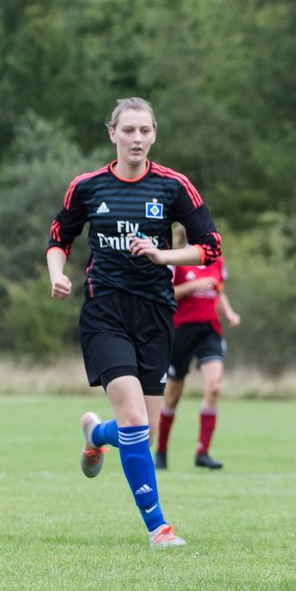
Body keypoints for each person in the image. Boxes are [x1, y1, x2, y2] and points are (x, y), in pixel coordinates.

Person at [47, 96, 222, 548]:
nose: (137, 138)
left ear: (154, 134)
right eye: (129, 130)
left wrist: (164, 254)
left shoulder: (174, 186)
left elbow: (210, 247)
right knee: (132, 417)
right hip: (105, 311)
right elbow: (58, 238)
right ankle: (158, 527)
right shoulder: (87, 187)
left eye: (145, 130)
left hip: (156, 314)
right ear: (113, 134)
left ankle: (95, 434)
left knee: (136, 427)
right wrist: (56, 274)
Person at [155, 223, 242, 471]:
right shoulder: (176, 257)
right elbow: (166, 293)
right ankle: (161, 451)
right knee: (172, 396)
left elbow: (219, 291)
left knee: (214, 387)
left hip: (209, 331)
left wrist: (229, 312)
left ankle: (202, 452)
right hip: (180, 331)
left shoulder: (216, 259)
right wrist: (192, 287)